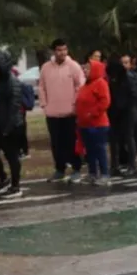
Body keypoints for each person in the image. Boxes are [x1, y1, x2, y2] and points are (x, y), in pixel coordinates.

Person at [39, 39, 85, 184]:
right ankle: (60, 170)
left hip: (70, 113)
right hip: (52, 113)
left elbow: (80, 86)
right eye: (59, 50)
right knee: (56, 143)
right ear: (54, 51)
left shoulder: (74, 66)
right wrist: (44, 104)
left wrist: (75, 105)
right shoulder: (46, 67)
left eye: (64, 49)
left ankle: (76, 169)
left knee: (71, 142)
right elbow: (41, 87)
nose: (62, 52)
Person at [0, 51, 24, 198]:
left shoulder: (12, 82)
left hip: (10, 127)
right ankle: (4, 178)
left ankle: (15, 186)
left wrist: (8, 129)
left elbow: (14, 107)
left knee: (12, 157)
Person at [75, 59, 111, 185]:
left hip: (97, 124)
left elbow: (105, 101)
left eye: (88, 68)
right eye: (84, 68)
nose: (85, 71)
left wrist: (92, 113)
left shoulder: (100, 83)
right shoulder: (86, 85)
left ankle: (105, 174)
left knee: (99, 149)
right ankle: (92, 173)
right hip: (85, 123)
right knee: (89, 150)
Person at [106, 55, 137, 176]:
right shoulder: (112, 79)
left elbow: (133, 95)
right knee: (114, 140)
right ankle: (115, 165)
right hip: (115, 113)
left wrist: (125, 106)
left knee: (128, 138)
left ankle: (132, 165)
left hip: (127, 112)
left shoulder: (127, 78)